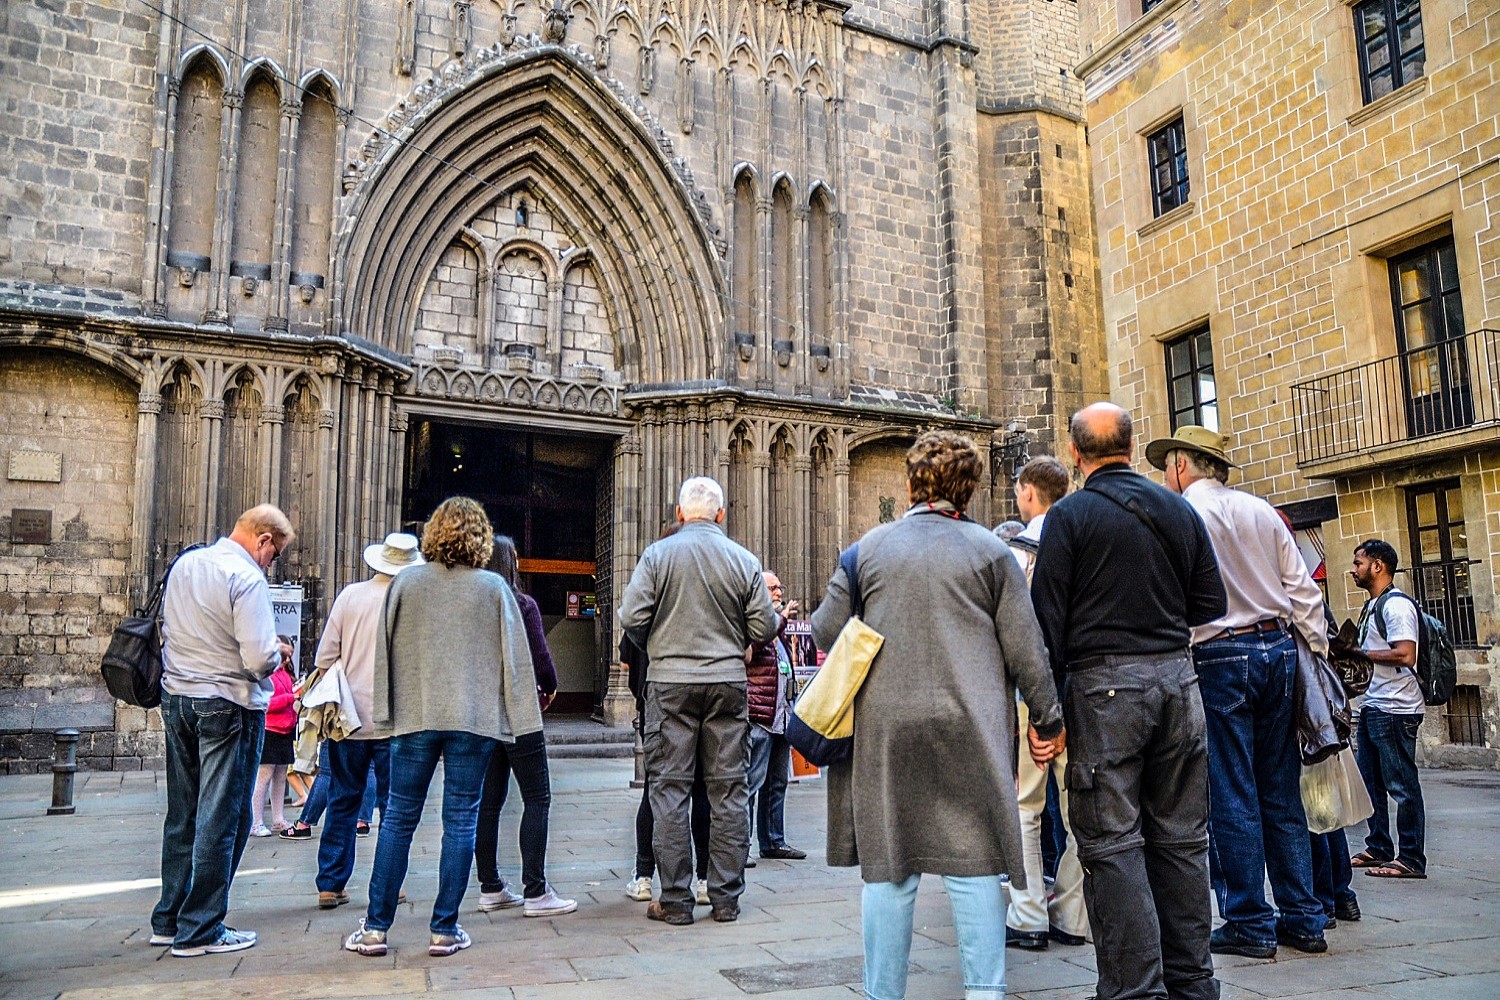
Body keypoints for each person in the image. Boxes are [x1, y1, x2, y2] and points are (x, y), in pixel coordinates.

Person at [809, 431, 1065, 1000]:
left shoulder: (866, 550)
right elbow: (1028, 651)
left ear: (910, 484)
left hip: (887, 730)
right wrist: (1048, 720)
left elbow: (827, 629)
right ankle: (984, 991)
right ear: (969, 489)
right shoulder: (993, 553)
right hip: (969, 726)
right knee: (974, 863)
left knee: (891, 868)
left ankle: (883, 994)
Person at [1030, 404, 1226, 1000]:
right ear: (1132, 444)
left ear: (1075, 451)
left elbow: (1046, 624)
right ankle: (1193, 983)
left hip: (1104, 692)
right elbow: (1210, 604)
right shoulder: (1177, 508)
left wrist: (1048, 715)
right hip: (1178, 684)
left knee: (1113, 846)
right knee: (1183, 843)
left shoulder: (1068, 517)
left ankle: (1136, 991)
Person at [1150, 425, 1329, 958]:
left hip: (1219, 653)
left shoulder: (1183, 515)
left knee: (1231, 790)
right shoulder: (1260, 510)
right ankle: (1303, 916)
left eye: (1168, 464)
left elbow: (1174, 599)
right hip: (1277, 648)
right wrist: (1312, 656)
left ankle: (1250, 920)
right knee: (1279, 787)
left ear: (1183, 465)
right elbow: (1303, 591)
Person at [343, 498, 543, 958]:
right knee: (460, 820)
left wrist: (385, 712)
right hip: (473, 720)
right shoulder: (494, 588)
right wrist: (523, 723)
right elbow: (516, 662)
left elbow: (384, 651)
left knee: (398, 818)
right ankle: (444, 929)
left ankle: (375, 929)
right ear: (481, 539)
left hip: (415, 715)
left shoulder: (406, 584)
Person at [618, 476, 782, 925]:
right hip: (728, 681)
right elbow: (765, 628)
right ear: (722, 515)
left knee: (670, 791)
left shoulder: (656, 555)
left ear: (679, 513)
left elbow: (631, 618)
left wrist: (660, 643)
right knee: (729, 788)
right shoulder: (744, 560)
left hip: (669, 683)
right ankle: (725, 897)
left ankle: (674, 899)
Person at [150, 504, 294, 957]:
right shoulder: (247, 577)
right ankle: (201, 928)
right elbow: (257, 660)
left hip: (177, 699)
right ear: (264, 539)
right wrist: (279, 651)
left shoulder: (187, 562)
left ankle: (170, 919)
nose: (271, 564)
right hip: (227, 705)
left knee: (184, 813)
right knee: (225, 816)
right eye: (276, 554)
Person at [1001, 456, 1089, 953]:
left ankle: (1029, 912)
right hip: (1081, 690)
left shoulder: (1019, 553)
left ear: (1028, 493)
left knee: (1026, 806)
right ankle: (1072, 913)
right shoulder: (1085, 539)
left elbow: (1012, 631)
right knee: (1079, 807)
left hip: (1030, 696)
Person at [309, 532, 420, 909]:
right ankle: (391, 883)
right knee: (394, 805)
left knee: (343, 799)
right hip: (396, 720)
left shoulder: (350, 596)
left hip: (348, 719)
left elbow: (324, 659)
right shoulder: (411, 601)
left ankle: (330, 882)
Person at [473, 535, 575, 917]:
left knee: (490, 802)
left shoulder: (474, 607)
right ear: (511, 563)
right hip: (519, 711)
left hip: (483, 714)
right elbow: (541, 658)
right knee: (537, 797)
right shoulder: (522, 604)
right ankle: (536, 890)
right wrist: (548, 688)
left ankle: (490, 887)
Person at [1348, 539, 1427, 880]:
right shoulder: (1373, 606)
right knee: (1371, 784)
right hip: (1374, 705)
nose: (1353, 569)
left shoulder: (1395, 607)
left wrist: (1361, 656)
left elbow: (1405, 654)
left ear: (1377, 566)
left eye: (1358, 563)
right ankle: (1378, 846)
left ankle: (1410, 858)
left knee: (1402, 785)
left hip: (1396, 709)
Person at [746, 570, 807, 863]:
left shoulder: (778, 630)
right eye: (772, 588)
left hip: (781, 717)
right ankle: (739, 847)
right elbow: (751, 647)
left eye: (780, 587)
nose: (779, 593)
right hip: (759, 716)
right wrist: (780, 621)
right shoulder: (753, 622)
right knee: (750, 783)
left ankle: (773, 841)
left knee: (777, 783)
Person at [249, 657, 297, 837]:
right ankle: (256, 822)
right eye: (285, 654)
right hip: (270, 728)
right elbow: (267, 703)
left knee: (281, 776)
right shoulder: (266, 674)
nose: (287, 659)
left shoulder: (285, 673)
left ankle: (278, 819)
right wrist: (290, 698)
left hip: (285, 729)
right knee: (264, 776)